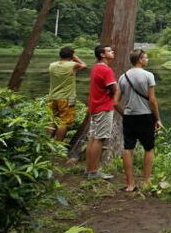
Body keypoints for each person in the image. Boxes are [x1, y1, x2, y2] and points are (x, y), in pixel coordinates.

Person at [117, 49, 162, 192]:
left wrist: (124, 114)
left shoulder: (122, 77)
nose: (147, 60)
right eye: (146, 58)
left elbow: (114, 102)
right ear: (140, 60)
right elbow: (152, 100)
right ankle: (146, 182)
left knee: (128, 148)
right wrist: (157, 119)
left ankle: (130, 184)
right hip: (145, 116)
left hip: (129, 116)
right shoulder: (148, 75)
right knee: (149, 148)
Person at [85, 44, 121, 179]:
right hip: (104, 107)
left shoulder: (96, 68)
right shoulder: (106, 70)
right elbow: (115, 89)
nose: (112, 51)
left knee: (93, 138)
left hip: (95, 107)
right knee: (99, 138)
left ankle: (89, 169)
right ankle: (94, 171)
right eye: (109, 51)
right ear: (102, 55)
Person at [47, 46, 86, 142]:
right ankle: (58, 145)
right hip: (68, 98)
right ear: (71, 55)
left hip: (52, 97)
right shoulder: (72, 65)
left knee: (51, 120)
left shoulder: (52, 65)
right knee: (64, 122)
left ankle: (46, 142)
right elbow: (83, 65)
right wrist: (75, 57)